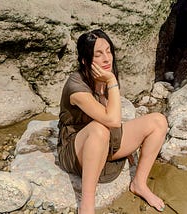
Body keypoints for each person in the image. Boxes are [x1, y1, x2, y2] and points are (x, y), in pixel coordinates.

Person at [57, 29, 168, 213]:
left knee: (159, 121)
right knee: (99, 129)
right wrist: (111, 80)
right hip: (76, 150)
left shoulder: (104, 77)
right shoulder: (75, 85)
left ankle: (139, 184)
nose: (107, 59)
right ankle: (87, 206)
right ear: (85, 60)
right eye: (98, 54)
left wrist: (109, 81)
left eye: (108, 51)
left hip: (105, 141)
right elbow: (113, 120)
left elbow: (115, 120)